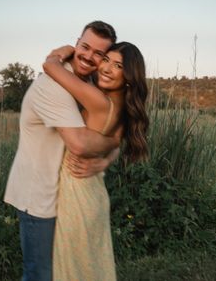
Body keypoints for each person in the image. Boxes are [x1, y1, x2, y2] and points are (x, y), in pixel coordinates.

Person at [4, 21, 120, 281]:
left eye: (98, 54)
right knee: (40, 274)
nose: (89, 56)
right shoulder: (52, 85)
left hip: (67, 197)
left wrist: (106, 159)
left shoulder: (86, 82)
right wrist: (112, 145)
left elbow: (114, 132)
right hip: (39, 198)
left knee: (64, 271)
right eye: (85, 47)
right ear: (77, 43)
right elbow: (79, 143)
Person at [43, 41, 149, 281]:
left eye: (118, 65)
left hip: (77, 194)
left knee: (73, 269)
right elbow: (115, 143)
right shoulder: (123, 108)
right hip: (93, 191)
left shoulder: (98, 100)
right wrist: (105, 161)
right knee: (91, 266)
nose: (106, 68)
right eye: (106, 60)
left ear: (129, 76)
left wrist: (64, 51)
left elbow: (49, 67)